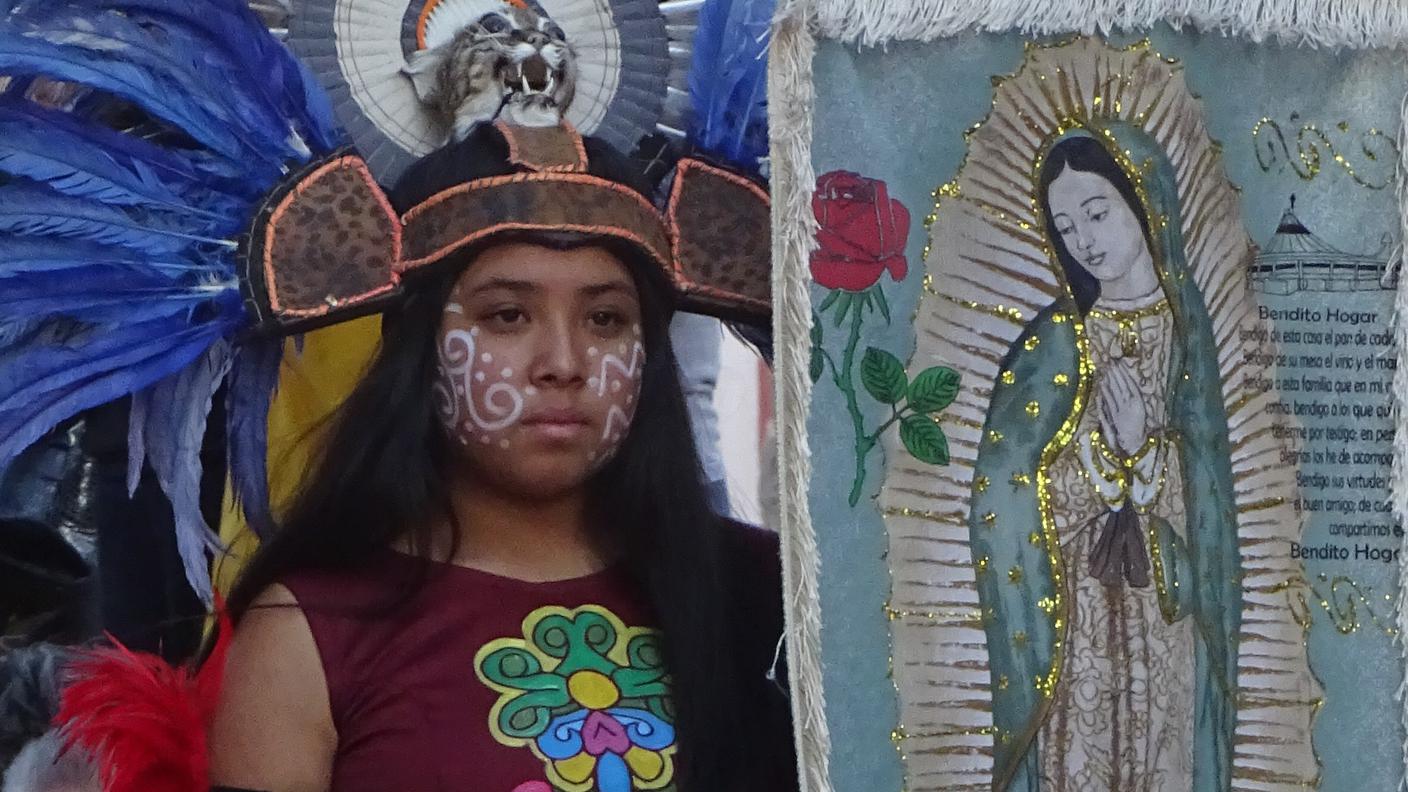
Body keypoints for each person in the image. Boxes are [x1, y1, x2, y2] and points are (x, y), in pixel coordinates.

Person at [197, 126, 795, 792]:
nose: (563, 364)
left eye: (605, 320)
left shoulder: (774, 597)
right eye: (507, 316)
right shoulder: (306, 634)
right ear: (421, 353)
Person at [966, 127, 1240, 791]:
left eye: (1097, 213)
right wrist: (1104, 463)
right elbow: (1000, 495)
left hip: (1166, 615)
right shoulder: (1055, 343)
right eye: (1065, 227)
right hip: (1079, 622)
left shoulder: (1189, 342)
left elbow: (1211, 502)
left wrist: (1149, 449)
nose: (1085, 241)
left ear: (1141, 203)